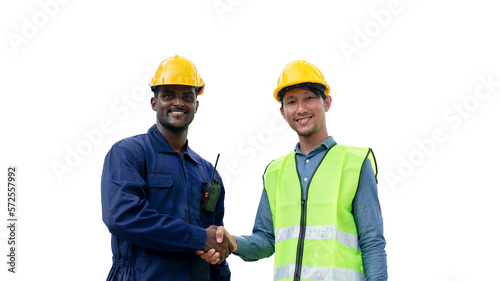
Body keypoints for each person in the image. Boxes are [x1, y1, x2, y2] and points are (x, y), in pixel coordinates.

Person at [198, 60, 388, 280]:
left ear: (326, 102)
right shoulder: (275, 172)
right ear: (282, 112)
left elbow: (372, 243)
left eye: (309, 98)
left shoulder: (355, 163)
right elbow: (267, 241)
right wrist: (233, 242)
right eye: (291, 102)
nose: (301, 108)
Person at [101, 55, 232, 281]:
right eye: (168, 95)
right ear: (154, 103)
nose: (178, 103)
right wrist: (199, 238)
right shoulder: (129, 154)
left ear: (196, 105)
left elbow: (215, 245)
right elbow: (122, 216)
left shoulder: (208, 172)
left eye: (187, 97)